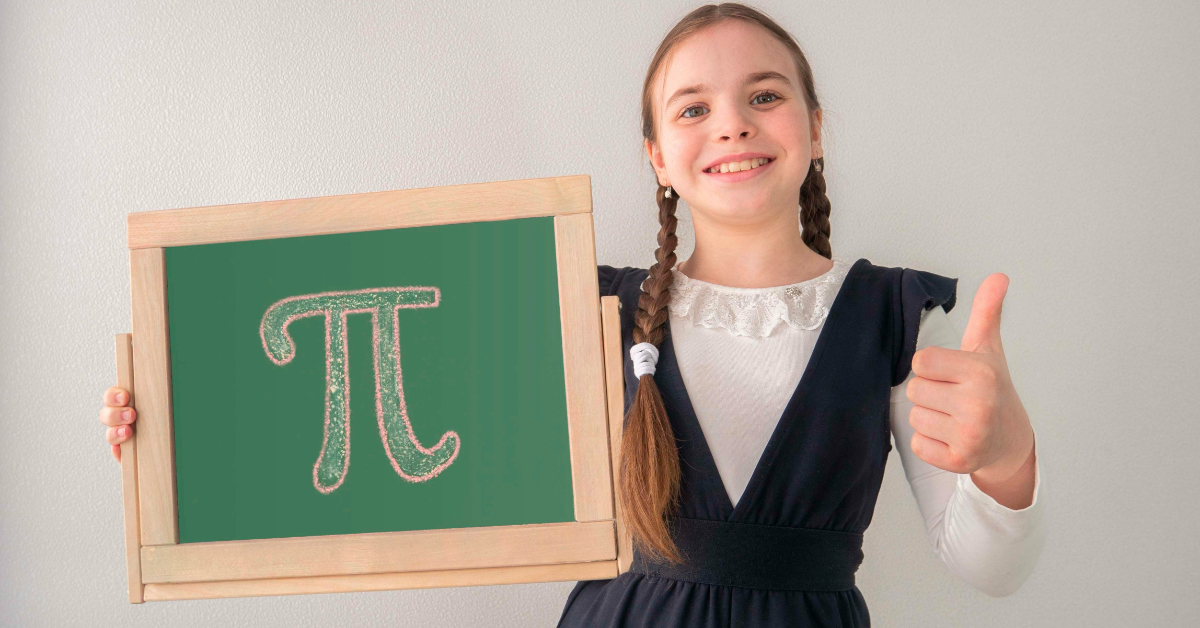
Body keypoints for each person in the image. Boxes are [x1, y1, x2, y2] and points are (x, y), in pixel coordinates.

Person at [98, 3, 1045, 625]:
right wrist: (178, 422)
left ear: (814, 125)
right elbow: (370, 409)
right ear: (656, 157)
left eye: (765, 95)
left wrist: (1007, 462)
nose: (732, 122)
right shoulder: (579, 303)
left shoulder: (888, 316)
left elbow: (989, 567)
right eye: (693, 108)